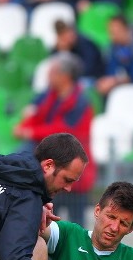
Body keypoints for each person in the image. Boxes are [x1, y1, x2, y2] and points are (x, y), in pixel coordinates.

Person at [14, 53, 97, 225]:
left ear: (64, 76)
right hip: (53, 174)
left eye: (51, 73)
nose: (48, 77)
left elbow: (63, 131)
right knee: (49, 223)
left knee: (76, 225)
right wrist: (25, 126)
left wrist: (31, 132)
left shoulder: (80, 102)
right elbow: (37, 116)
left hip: (74, 175)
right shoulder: (49, 96)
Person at [95, 14, 133, 96]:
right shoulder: (113, 48)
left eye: (116, 32)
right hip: (118, 88)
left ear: (126, 29)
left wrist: (117, 81)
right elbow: (111, 71)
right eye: (110, 32)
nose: (112, 36)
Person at [52, 19, 105, 85]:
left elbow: (89, 68)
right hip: (74, 79)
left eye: (68, 32)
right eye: (63, 35)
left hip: (94, 78)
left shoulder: (86, 44)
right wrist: (63, 50)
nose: (67, 37)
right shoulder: (60, 47)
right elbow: (54, 65)